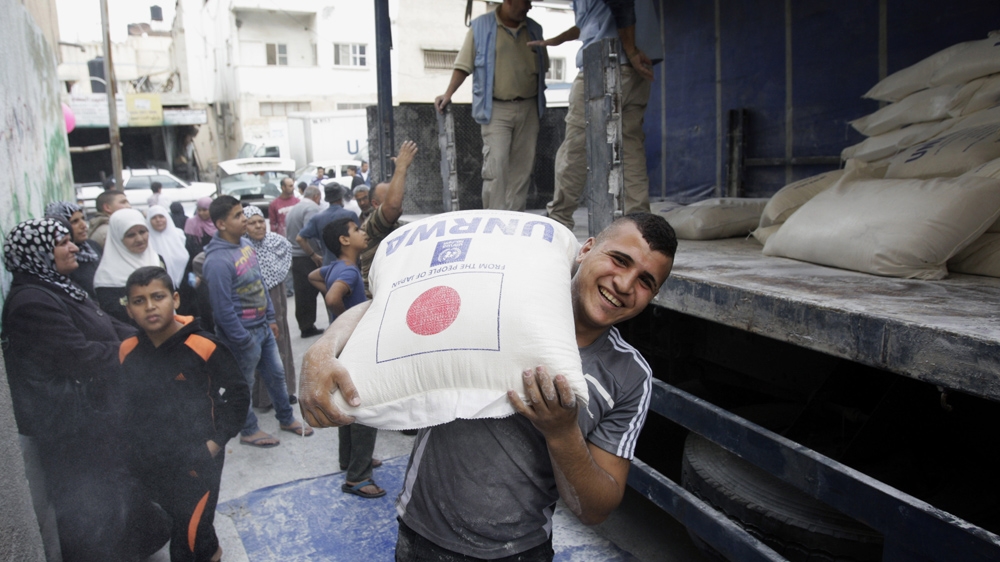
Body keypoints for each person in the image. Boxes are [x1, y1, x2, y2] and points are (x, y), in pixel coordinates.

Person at [299, 213, 677, 560]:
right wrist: (324, 348)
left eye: (646, 281)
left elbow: (595, 509)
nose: (624, 284)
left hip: (521, 550)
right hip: (421, 535)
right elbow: (389, 305)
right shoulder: (508, 290)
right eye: (619, 260)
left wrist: (562, 433)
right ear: (587, 248)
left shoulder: (630, 376)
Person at [2, 218, 169, 561]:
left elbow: (107, 325)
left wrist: (151, 337)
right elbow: (78, 355)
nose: (74, 247)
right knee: (90, 507)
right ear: (38, 253)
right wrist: (136, 351)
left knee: (115, 493)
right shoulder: (31, 303)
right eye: (62, 242)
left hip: (94, 416)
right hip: (72, 427)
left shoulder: (57, 287)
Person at [120, 266, 249, 562]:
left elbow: (238, 395)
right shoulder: (127, 350)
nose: (150, 306)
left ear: (175, 299)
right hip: (152, 463)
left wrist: (214, 444)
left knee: (186, 543)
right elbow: (126, 405)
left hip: (198, 461)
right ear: (129, 310)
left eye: (158, 297)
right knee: (191, 527)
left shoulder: (203, 345)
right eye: (139, 301)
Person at [537, 0, 662, 230]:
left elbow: (620, 4)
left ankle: (559, 219)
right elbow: (590, 22)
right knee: (630, 148)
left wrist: (630, 49)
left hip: (606, 63)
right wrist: (559, 39)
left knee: (577, 145)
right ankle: (640, 225)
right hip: (636, 69)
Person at [202, 195, 312, 448]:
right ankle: (249, 430)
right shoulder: (217, 261)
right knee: (243, 386)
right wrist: (242, 339)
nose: (245, 219)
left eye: (243, 213)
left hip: (262, 328)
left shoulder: (244, 245)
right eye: (237, 216)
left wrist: (270, 317)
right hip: (242, 334)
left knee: (276, 375)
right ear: (221, 224)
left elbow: (259, 282)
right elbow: (222, 310)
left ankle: (286, 418)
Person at [435, 0, 548, 212]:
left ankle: (515, 219)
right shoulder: (480, 27)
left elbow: (544, 67)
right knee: (496, 167)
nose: (529, 7)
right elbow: (463, 65)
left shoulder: (534, 29)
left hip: (529, 106)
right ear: (509, 1)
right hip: (496, 108)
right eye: (525, 2)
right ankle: (494, 218)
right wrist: (448, 94)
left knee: (523, 169)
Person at [305, 218, 384, 498]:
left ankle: (348, 459)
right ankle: (358, 477)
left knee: (346, 403)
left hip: (341, 346)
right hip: (354, 345)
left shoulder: (335, 267)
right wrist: (346, 318)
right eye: (357, 230)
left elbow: (313, 276)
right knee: (363, 406)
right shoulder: (349, 271)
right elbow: (332, 298)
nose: (363, 233)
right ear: (344, 240)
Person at [243, 205, 298, 407]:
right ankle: (264, 397)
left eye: (261, 221)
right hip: (253, 300)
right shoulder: (241, 250)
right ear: (244, 226)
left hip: (277, 298)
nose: (258, 226)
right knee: (260, 346)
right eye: (252, 223)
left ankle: (286, 390)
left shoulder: (277, 243)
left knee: (281, 340)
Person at [358, 141, 418, 297]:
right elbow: (392, 207)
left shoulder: (397, 226)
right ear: (375, 204)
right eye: (390, 195)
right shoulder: (372, 226)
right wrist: (401, 167)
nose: (398, 198)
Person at [94, 208, 164, 325]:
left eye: (142, 231)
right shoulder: (107, 276)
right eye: (131, 235)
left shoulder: (157, 260)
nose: (139, 239)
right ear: (118, 238)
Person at [286, 185, 325, 338]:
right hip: (307, 256)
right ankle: (309, 325)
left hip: (296, 256)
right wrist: (315, 254)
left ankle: (305, 325)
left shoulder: (295, 208)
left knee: (302, 293)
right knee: (318, 289)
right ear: (317, 196)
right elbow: (310, 235)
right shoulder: (312, 208)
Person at [45, 200, 103, 300]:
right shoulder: (58, 258)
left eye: (83, 219)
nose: (83, 225)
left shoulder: (93, 246)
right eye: (75, 221)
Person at [295, 183, 359, 267]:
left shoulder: (317, 218)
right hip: (350, 264)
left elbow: (299, 238)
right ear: (341, 197)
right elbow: (359, 239)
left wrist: (313, 255)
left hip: (328, 266)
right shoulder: (350, 215)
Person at [147, 205, 190, 293]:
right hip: (158, 287)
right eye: (154, 218)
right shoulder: (147, 241)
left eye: (161, 216)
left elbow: (191, 257)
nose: (158, 220)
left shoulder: (180, 236)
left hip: (185, 285)